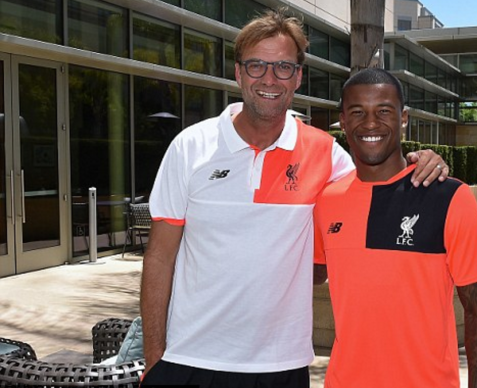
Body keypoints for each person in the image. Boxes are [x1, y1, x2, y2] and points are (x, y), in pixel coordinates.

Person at [140, 9, 448, 388]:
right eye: (256, 66)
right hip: (188, 359)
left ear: (298, 77)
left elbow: (380, 184)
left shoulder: (327, 155)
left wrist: (421, 160)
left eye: (283, 67)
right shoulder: (190, 147)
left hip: (280, 366)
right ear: (238, 73)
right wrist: (154, 357)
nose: (269, 79)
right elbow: (159, 258)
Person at [313, 68, 477, 388]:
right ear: (343, 121)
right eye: (358, 112)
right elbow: (307, 277)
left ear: (403, 118)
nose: (370, 123)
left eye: (384, 111)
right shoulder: (326, 201)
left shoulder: (449, 196)